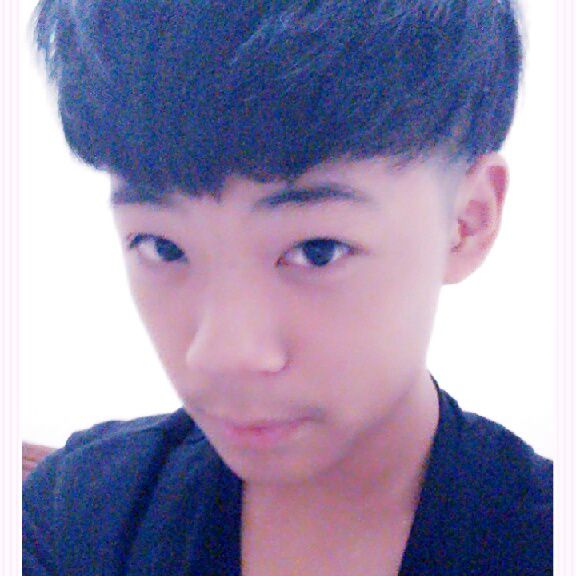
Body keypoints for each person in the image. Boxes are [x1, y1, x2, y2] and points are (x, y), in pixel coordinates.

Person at [23, 0, 552, 574]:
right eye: (162, 247)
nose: (221, 354)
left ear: (467, 221)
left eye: (316, 250)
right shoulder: (76, 512)